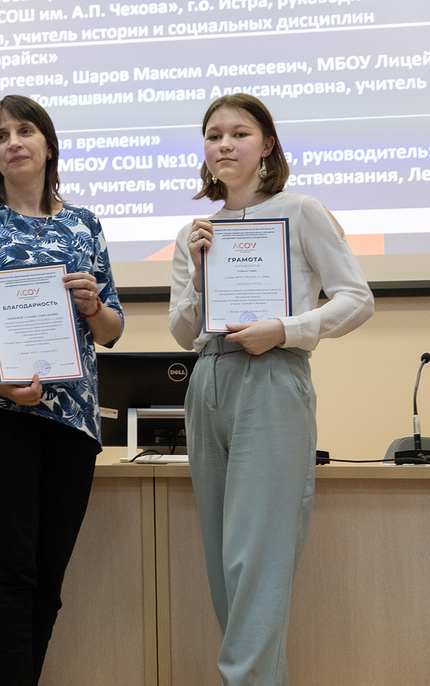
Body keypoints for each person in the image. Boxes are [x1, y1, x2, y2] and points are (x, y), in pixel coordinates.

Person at [168, 93, 374, 685]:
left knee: (255, 558)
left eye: (239, 133)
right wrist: (202, 274)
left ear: (268, 144)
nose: (224, 145)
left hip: (272, 377)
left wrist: (284, 328)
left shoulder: (301, 210)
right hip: (208, 379)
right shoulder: (194, 232)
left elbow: (357, 300)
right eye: (213, 136)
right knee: (222, 559)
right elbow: (184, 333)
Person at [0, 94, 124, 685]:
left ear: (48, 142)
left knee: (48, 574)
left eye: (24, 130)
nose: (12, 142)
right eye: (0, 135)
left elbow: (112, 329)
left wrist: (93, 306)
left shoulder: (83, 223)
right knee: (12, 570)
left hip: (72, 420)